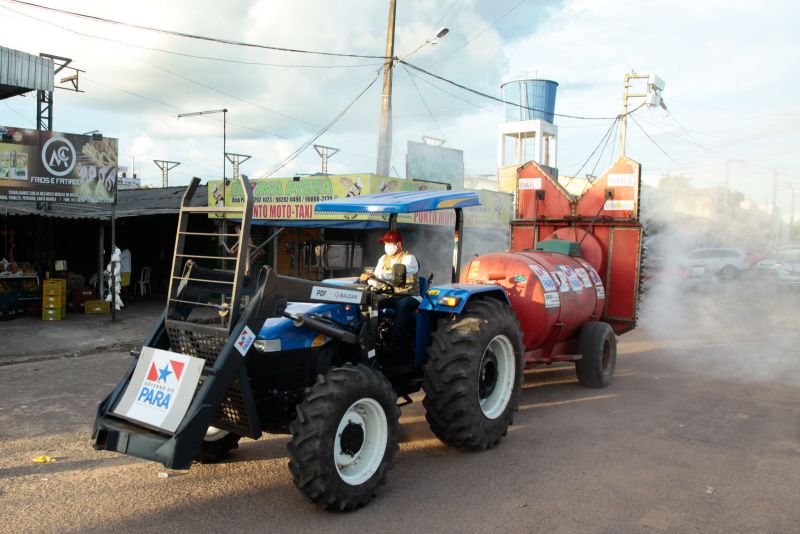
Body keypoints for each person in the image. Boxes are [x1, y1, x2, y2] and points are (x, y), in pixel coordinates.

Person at [359, 229, 420, 349]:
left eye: (389, 244)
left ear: (398, 245)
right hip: (390, 295)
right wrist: (370, 281)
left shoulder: (410, 259)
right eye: (385, 244)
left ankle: (394, 344)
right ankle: (370, 338)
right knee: (371, 301)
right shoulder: (383, 258)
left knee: (402, 305)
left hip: (409, 295)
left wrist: (375, 276)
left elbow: (395, 274)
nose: (386, 247)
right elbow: (376, 275)